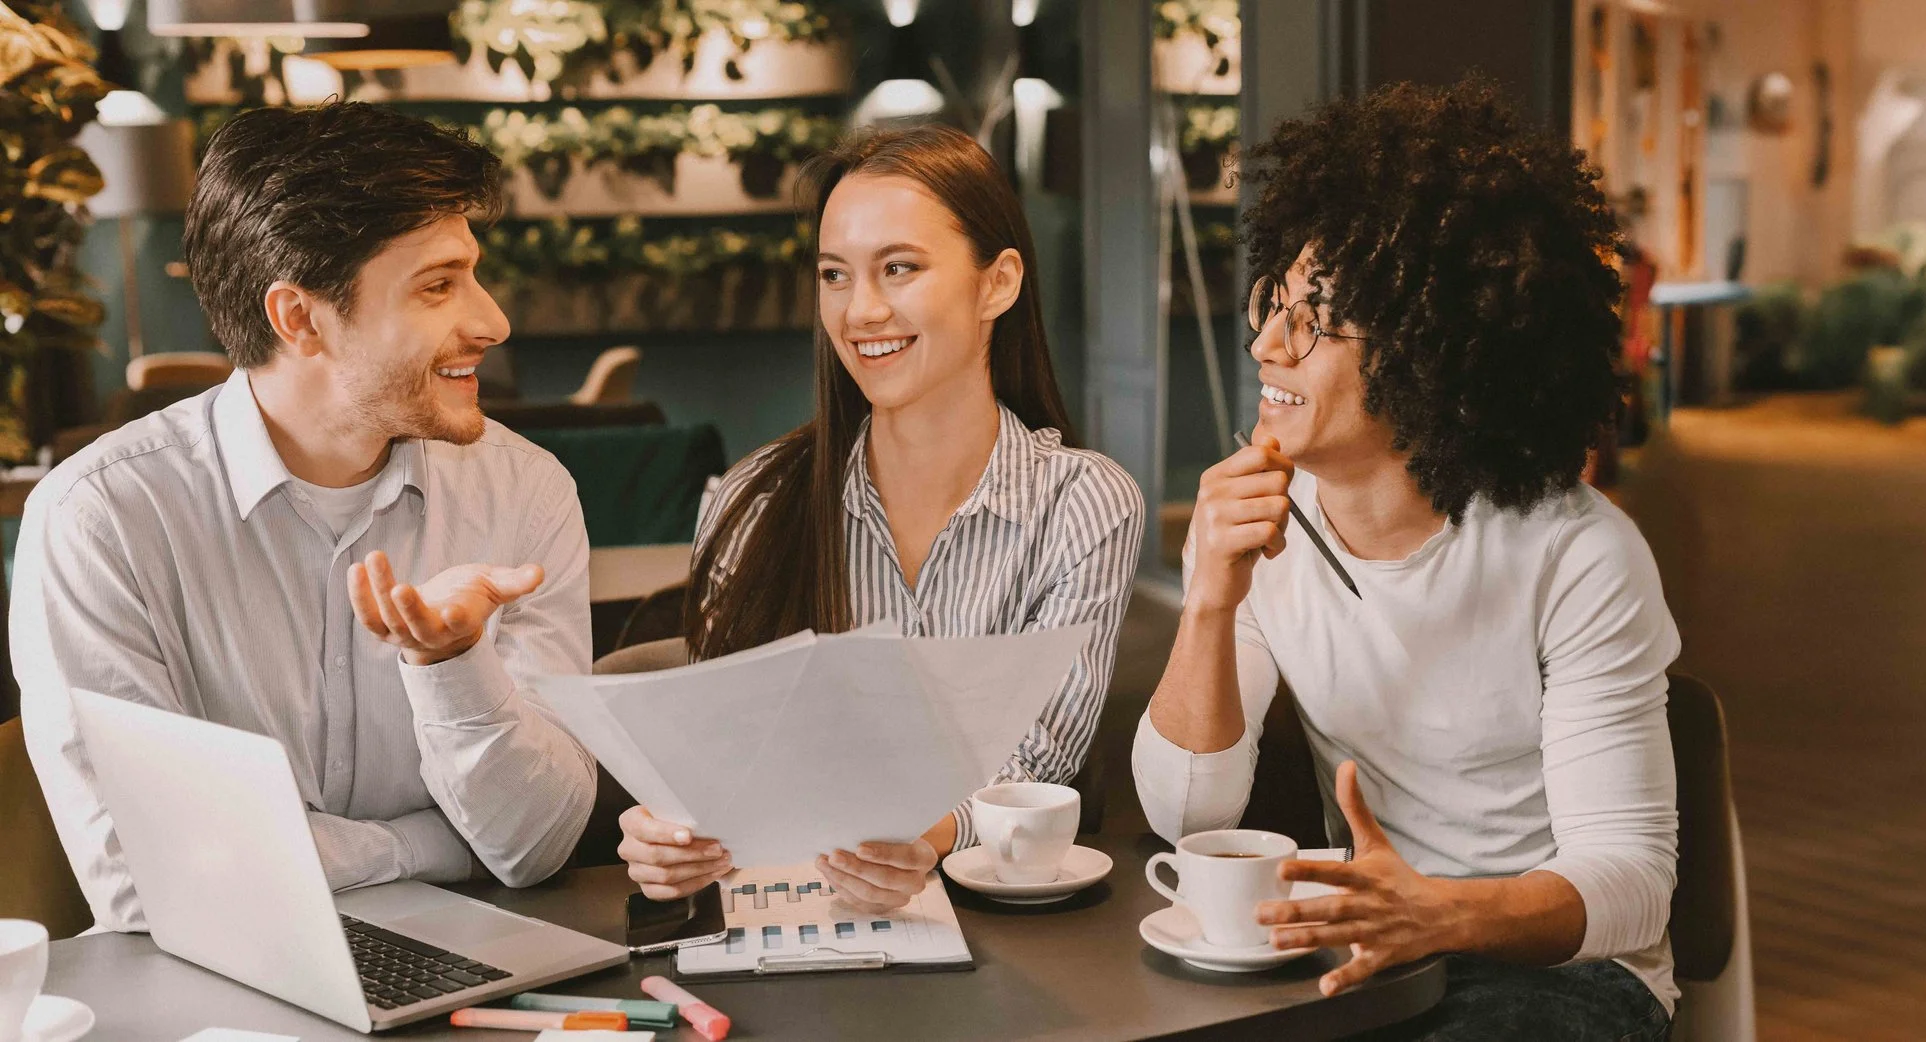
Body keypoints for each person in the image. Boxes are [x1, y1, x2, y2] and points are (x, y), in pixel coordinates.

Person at [1132, 81, 1682, 1040]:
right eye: (1275, 301)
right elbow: (1185, 815)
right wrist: (1212, 600)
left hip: (1568, 978)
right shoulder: (1264, 525)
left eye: (1316, 317)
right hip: (1380, 958)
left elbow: (1631, 887)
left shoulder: (1577, 555)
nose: (1268, 343)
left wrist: (1440, 911)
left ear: (1433, 349)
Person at [13, 103, 597, 931]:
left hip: (472, 963)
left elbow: (534, 849)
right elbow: (149, 885)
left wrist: (454, 665)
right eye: (438, 285)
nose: (491, 321)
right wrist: (429, 846)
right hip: (223, 984)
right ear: (300, 319)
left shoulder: (525, 491)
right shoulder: (101, 520)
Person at [615, 125, 1142, 912]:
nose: (861, 311)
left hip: (992, 928)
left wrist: (923, 836)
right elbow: (725, 757)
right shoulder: (752, 497)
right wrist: (674, 832)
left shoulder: (1083, 502)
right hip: (785, 918)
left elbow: (1040, 756)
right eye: (835, 275)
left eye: (899, 269)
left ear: (996, 284)